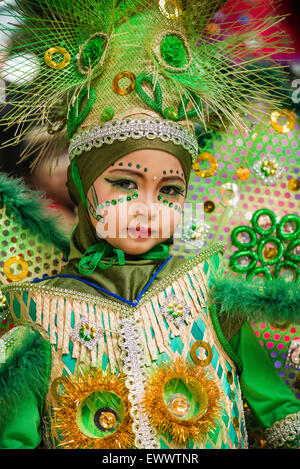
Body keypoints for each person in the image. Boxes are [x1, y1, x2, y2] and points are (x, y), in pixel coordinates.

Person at [0, 0, 299, 450]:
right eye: (124, 183)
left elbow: (281, 419)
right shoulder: (36, 317)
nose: (147, 209)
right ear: (81, 186)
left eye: (169, 191)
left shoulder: (214, 293)